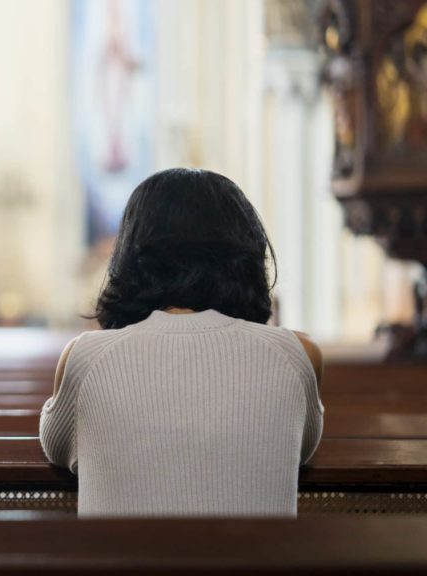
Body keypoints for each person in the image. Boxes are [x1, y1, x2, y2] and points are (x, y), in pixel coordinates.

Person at [40, 168, 323, 517]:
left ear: (130, 255)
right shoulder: (298, 356)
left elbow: (56, 448)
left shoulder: (85, 358)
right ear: (247, 253)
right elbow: (303, 448)